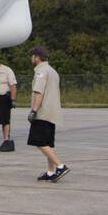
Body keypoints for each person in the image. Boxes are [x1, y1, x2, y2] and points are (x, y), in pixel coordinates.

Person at [27, 46, 67, 181]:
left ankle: (60, 166)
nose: (31, 58)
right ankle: (51, 172)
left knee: (39, 141)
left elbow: (39, 92)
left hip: (43, 112)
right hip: (52, 112)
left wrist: (34, 110)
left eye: (32, 56)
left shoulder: (41, 71)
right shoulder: (52, 71)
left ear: (37, 57)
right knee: (48, 144)